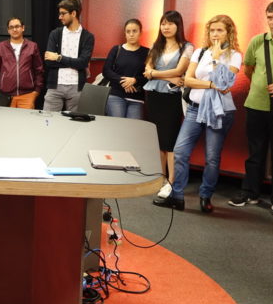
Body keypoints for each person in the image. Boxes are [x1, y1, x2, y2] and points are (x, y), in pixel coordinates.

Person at [153, 15, 242, 212]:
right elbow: (188, 80)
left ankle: (205, 196)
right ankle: (177, 196)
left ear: (228, 32)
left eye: (220, 30)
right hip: (195, 108)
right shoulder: (200, 52)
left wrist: (217, 59)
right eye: (212, 30)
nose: (215, 34)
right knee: (180, 152)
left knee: (212, 158)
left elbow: (224, 84)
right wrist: (210, 84)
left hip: (219, 112)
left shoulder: (235, 55)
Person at [229, 0, 273, 219]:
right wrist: (258, 84)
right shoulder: (258, 41)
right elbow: (248, 68)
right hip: (256, 105)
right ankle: (250, 193)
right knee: (255, 153)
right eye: (270, 17)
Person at [143, 11, 194, 199]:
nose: (166, 27)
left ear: (178, 26)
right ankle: (161, 178)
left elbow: (180, 70)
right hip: (153, 95)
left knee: (170, 140)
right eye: (163, 23)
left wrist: (156, 74)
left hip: (172, 97)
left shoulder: (187, 47)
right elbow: (147, 70)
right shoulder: (156, 45)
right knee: (158, 140)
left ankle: (172, 181)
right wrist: (168, 77)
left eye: (170, 23)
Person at [43, 0, 95, 112]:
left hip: (77, 88)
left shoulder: (88, 37)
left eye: (63, 13)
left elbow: (83, 63)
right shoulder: (55, 34)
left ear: (73, 13)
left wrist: (58, 57)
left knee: (75, 121)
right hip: (55, 86)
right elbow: (48, 62)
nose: (59, 17)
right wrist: (75, 63)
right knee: (48, 120)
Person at [0, 17, 44, 109]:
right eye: (11, 27)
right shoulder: (0, 47)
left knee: (25, 119)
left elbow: (39, 69)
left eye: (17, 26)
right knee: (5, 119)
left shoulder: (32, 46)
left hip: (27, 95)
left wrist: (36, 91)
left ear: (23, 28)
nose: (14, 29)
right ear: (8, 30)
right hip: (4, 96)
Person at [103, 18, 149, 119]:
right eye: (128, 31)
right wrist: (124, 81)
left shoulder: (147, 52)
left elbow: (149, 76)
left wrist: (134, 80)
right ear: (125, 33)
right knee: (117, 126)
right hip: (116, 95)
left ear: (140, 33)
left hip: (136, 98)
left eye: (134, 31)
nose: (131, 34)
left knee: (133, 127)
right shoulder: (116, 49)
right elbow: (106, 71)